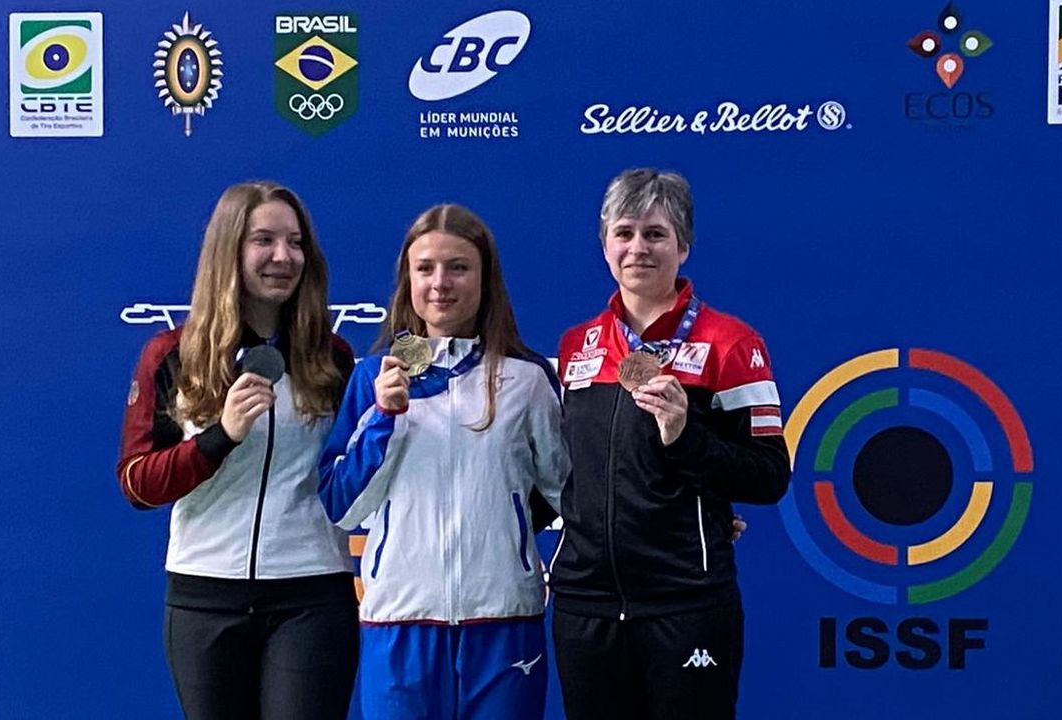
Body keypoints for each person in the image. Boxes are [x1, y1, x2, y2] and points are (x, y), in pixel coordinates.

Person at [550, 169, 791, 719]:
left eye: (656, 234)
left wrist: (686, 439)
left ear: (683, 246)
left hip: (686, 602)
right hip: (586, 604)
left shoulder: (731, 344)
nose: (639, 247)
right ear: (605, 244)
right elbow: (573, 474)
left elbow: (769, 476)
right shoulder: (575, 346)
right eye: (625, 232)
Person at [116, 181, 358, 720]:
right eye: (263, 240)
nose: (282, 256)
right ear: (230, 250)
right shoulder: (172, 354)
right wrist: (218, 436)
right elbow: (137, 483)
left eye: (295, 243)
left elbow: (354, 473)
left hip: (311, 594)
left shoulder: (333, 357)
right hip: (204, 597)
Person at [317, 204, 568, 720]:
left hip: (504, 620)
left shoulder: (526, 379)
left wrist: (678, 516)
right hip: (399, 622)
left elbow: (575, 496)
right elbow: (342, 507)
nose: (440, 283)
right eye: (425, 268)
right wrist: (383, 417)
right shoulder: (371, 378)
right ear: (407, 278)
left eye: (458, 267)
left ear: (485, 277)